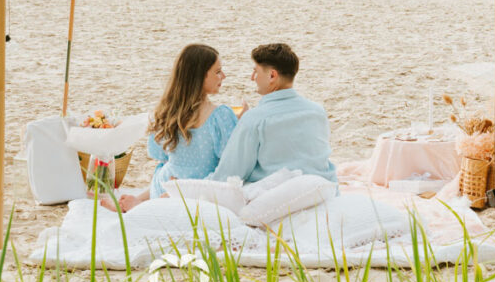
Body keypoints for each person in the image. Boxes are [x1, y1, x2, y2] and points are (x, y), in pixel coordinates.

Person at [112, 43, 239, 212]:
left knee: (167, 170)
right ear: (200, 76)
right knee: (189, 184)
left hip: (165, 186)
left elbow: (158, 154)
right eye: (218, 71)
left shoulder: (166, 112)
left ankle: (143, 203)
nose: (223, 76)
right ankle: (144, 205)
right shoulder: (221, 116)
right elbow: (231, 164)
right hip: (199, 191)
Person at [207, 43, 337, 184]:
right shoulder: (317, 111)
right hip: (322, 188)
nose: (252, 77)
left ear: (272, 75)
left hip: (277, 194)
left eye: (256, 72)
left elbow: (229, 174)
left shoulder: (255, 119)